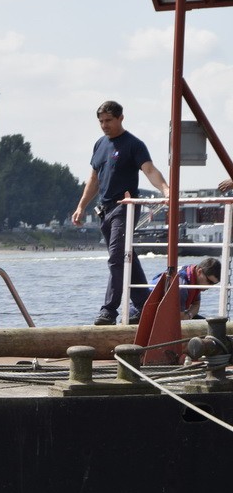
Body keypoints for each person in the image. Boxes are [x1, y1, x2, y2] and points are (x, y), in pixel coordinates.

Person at [71, 100, 170, 325]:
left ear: (120, 118)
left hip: (124, 208)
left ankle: (109, 310)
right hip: (104, 210)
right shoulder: (99, 145)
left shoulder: (134, 144)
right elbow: (94, 179)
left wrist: (165, 188)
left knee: (117, 258)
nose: (104, 125)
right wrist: (80, 206)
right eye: (101, 121)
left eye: (108, 121)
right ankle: (146, 306)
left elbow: (149, 170)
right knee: (127, 257)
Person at [130, 257, 221, 322]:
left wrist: (189, 315)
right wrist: (188, 315)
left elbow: (196, 304)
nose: (210, 286)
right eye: (209, 281)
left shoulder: (193, 277)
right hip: (139, 314)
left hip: (158, 314)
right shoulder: (182, 285)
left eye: (214, 284)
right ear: (199, 271)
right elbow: (180, 317)